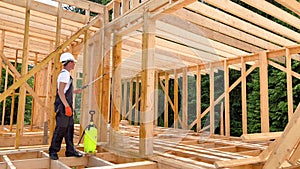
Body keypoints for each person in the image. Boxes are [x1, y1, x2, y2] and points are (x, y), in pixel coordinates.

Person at [49, 52, 83, 160]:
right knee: (61, 128)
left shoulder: (66, 75)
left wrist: (75, 91)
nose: (74, 65)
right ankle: (53, 151)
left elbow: (65, 90)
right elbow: (60, 91)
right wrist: (67, 106)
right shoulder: (64, 74)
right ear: (68, 63)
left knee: (69, 128)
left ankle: (70, 150)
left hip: (66, 105)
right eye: (73, 62)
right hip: (63, 106)